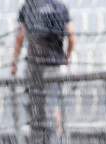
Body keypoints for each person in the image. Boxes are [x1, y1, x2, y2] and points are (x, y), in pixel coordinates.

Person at [11, 0, 75, 132]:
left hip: (35, 64)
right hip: (55, 62)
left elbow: (20, 37)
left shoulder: (28, 7)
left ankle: (40, 138)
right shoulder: (60, 7)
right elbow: (72, 35)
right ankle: (57, 138)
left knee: (33, 101)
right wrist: (68, 56)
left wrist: (14, 63)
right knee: (53, 104)